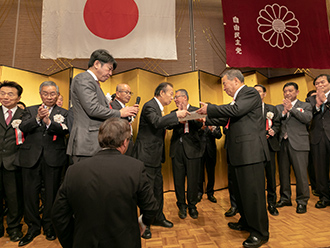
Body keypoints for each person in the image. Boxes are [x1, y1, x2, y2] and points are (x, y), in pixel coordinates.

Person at [52, 118, 158, 248]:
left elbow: (58, 214)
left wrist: (71, 242)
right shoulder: (135, 168)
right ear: (125, 142)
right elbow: (151, 208)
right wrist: (142, 223)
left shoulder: (73, 170)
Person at [197, 69, 269, 248]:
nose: (224, 88)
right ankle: (246, 222)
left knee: (253, 194)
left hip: (250, 153)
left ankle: (260, 233)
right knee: (242, 193)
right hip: (240, 153)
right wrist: (206, 118)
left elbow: (236, 110)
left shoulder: (249, 92)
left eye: (224, 84)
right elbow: (228, 119)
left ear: (235, 81)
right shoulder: (239, 99)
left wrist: (210, 107)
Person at [132, 82, 189, 239]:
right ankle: (145, 224)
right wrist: (177, 115)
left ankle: (158, 217)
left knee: (158, 189)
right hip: (146, 156)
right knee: (147, 191)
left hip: (155, 156)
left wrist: (178, 120)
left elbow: (163, 123)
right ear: (161, 93)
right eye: (171, 94)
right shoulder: (150, 105)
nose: (172, 97)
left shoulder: (158, 108)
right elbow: (157, 122)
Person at [17, 81, 69, 246]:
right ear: (40, 94)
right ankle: (32, 227)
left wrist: (48, 123)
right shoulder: (29, 110)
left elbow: (66, 130)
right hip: (31, 158)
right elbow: (23, 127)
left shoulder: (64, 112)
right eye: (45, 93)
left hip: (54, 158)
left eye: (52, 93)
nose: (49, 97)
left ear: (57, 95)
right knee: (30, 194)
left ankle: (49, 226)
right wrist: (38, 118)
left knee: (51, 195)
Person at [67, 49, 138, 163]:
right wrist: (120, 113)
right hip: (86, 144)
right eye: (109, 69)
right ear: (96, 64)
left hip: (93, 144)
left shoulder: (94, 83)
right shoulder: (84, 79)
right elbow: (93, 109)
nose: (110, 74)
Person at [276, 82, 312, 214]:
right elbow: (275, 121)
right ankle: (285, 198)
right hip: (283, 143)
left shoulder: (306, 105)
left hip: (299, 143)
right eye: (285, 91)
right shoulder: (279, 107)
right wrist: (284, 113)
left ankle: (302, 201)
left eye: (290, 91)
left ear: (297, 92)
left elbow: (307, 119)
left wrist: (292, 109)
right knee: (283, 173)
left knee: (301, 174)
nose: (287, 93)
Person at [168, 89, 203, 219]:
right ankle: (181, 205)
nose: (175, 100)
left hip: (193, 150)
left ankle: (192, 206)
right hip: (177, 150)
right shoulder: (173, 113)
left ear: (185, 97)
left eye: (176, 97)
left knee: (193, 180)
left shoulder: (196, 110)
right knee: (178, 180)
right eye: (174, 98)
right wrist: (178, 118)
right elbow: (168, 125)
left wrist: (189, 117)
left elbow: (200, 127)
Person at [0, 81, 24, 242]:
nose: (5, 97)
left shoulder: (25, 115)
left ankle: (14, 228)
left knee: (14, 198)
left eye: (10, 94)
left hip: (14, 163)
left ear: (18, 97)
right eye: (2, 93)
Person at [254, 84, 280, 216]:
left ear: (264, 94)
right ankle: (258, 205)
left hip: (269, 145)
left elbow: (277, 123)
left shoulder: (272, 108)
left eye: (259, 91)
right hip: (255, 147)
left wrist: (273, 130)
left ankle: (272, 203)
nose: (257, 94)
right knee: (257, 177)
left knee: (270, 176)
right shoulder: (250, 109)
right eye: (254, 92)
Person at [306, 74, 330, 208]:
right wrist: (317, 105)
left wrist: (325, 101)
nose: (320, 85)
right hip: (317, 137)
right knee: (320, 169)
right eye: (317, 83)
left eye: (322, 82)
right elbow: (308, 116)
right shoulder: (310, 99)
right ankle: (324, 197)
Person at [197, 123, 222, 204]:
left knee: (211, 173)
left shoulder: (214, 121)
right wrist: (202, 129)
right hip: (200, 151)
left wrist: (212, 130)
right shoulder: (198, 121)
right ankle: (199, 193)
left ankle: (210, 193)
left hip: (211, 151)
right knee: (199, 173)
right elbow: (194, 134)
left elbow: (219, 135)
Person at [110, 83, 135, 156]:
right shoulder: (113, 106)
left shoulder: (124, 107)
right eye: (126, 92)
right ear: (117, 94)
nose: (129, 95)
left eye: (130, 93)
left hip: (127, 140)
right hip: (119, 141)